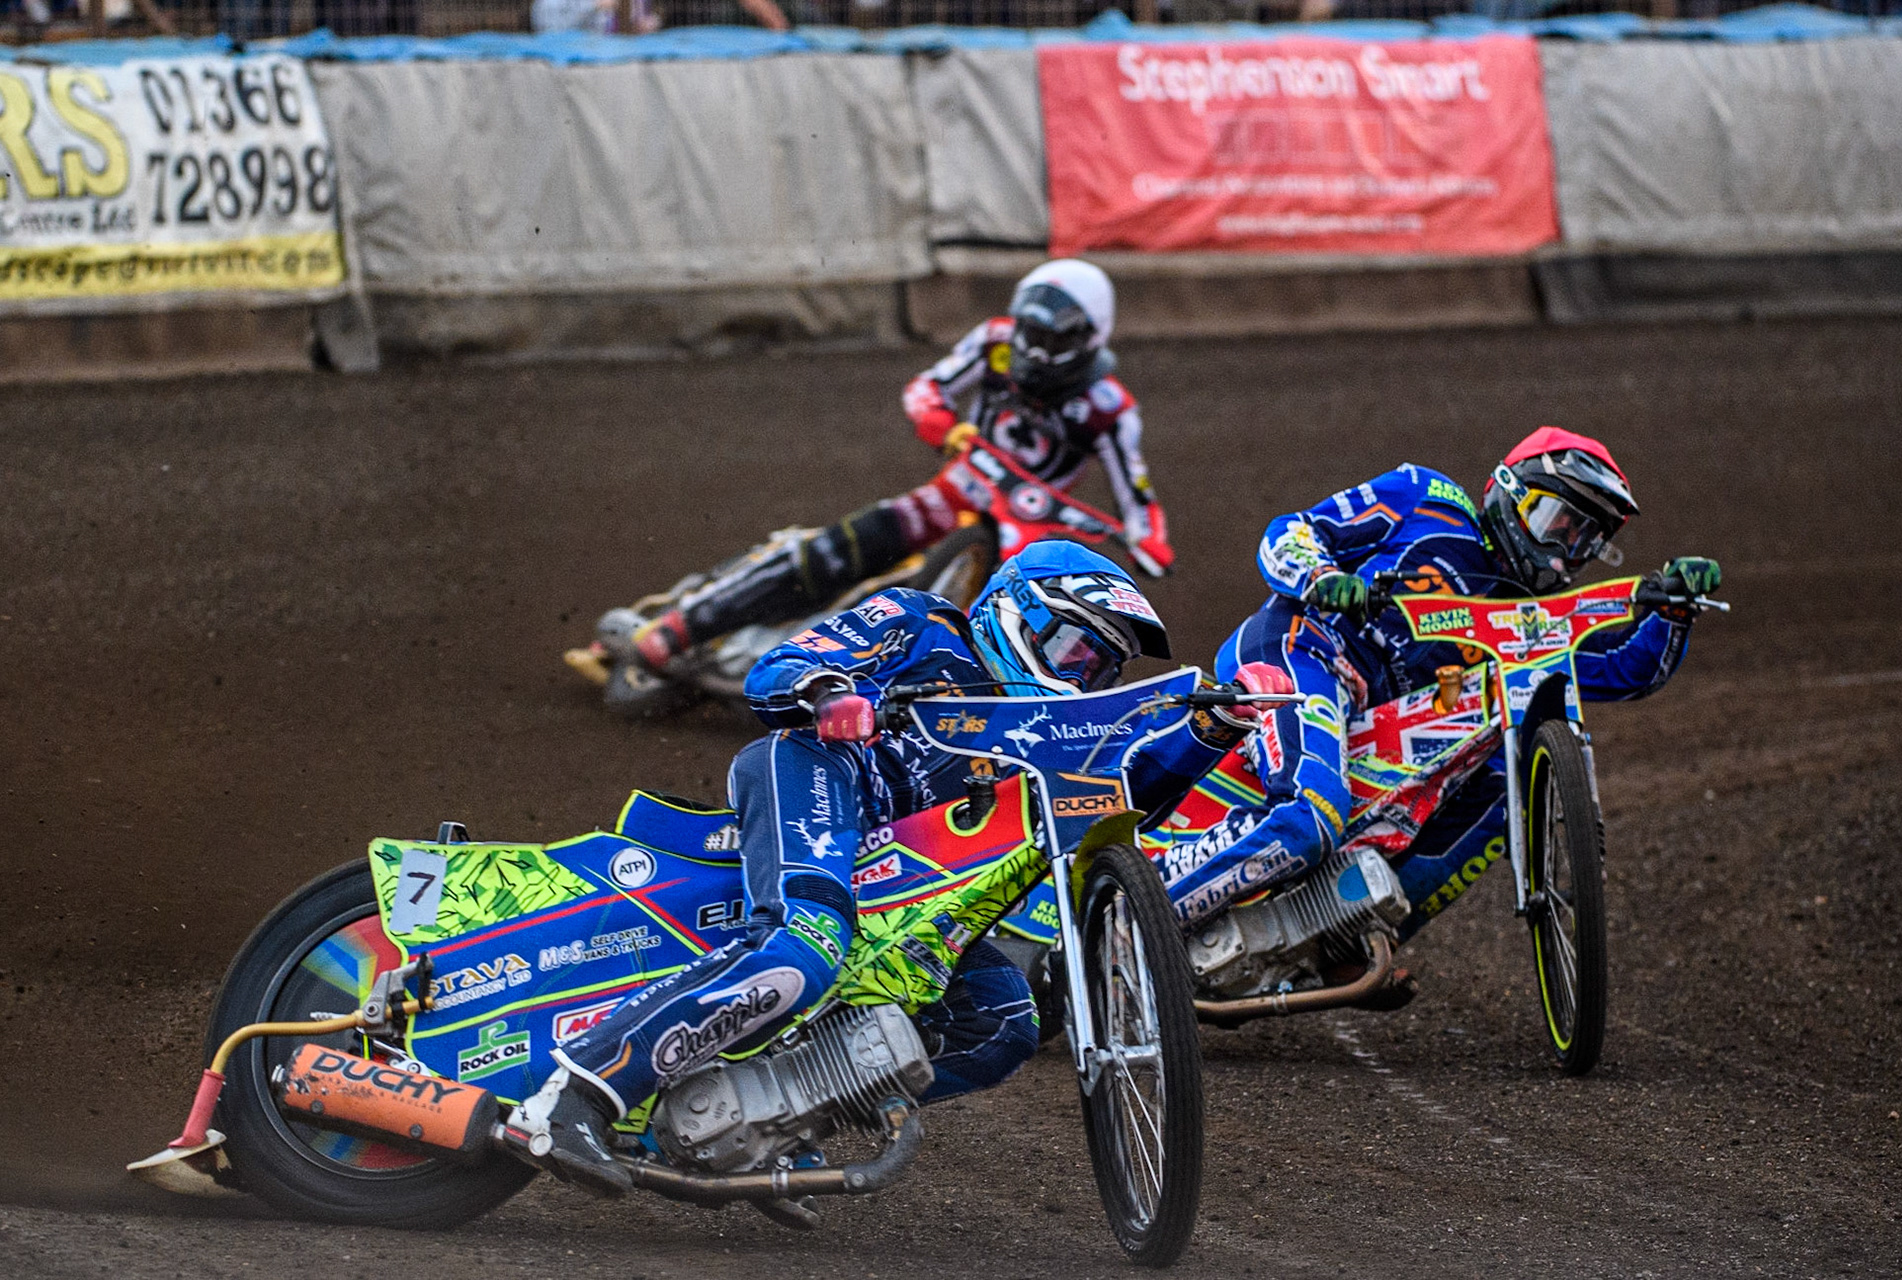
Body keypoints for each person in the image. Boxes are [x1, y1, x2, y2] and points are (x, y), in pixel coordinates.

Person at [520, 540, 1271, 1197]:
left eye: (1100, 666)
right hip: (820, 772)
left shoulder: (1048, 731)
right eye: (1076, 649)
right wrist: (830, 693)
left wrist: (1212, 731)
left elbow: (1118, 796)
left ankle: (762, 1121)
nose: (1083, 675)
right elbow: (779, 669)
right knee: (801, 948)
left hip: (905, 877)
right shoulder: (921, 622)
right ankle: (577, 1095)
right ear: (1018, 612)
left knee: (1002, 1021)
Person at [1159, 428, 1722, 1000]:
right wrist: (1323, 579)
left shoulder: (1530, 620)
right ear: (1508, 493)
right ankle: (1146, 914)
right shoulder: (1427, 498)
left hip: (1382, 724)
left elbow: (1624, 668)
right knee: (1310, 817)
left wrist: (1673, 612)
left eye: (1584, 538)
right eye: (1555, 520)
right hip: (1304, 653)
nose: (1562, 548)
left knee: (1505, 778)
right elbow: (1292, 532)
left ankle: (1343, 941)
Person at [627, 259, 1174, 674]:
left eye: (1054, 338)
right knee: (842, 546)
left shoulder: (1110, 408)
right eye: (1032, 331)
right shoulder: (995, 341)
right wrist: (943, 424)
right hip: (954, 490)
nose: (1036, 347)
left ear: (1089, 336)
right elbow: (927, 386)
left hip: (1023, 527)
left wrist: (1149, 542)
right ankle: (683, 625)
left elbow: (1138, 495)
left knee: (1013, 627)